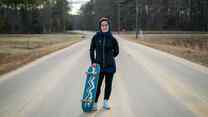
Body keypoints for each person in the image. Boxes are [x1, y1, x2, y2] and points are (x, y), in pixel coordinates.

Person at [90, 17, 119, 110]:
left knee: (108, 85)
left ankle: (106, 102)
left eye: (106, 25)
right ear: (100, 26)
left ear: (108, 26)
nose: (104, 27)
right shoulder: (96, 37)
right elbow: (91, 49)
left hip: (110, 67)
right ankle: (95, 103)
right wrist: (93, 61)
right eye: (102, 25)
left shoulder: (112, 38)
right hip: (99, 67)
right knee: (97, 86)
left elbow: (117, 51)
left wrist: (110, 57)